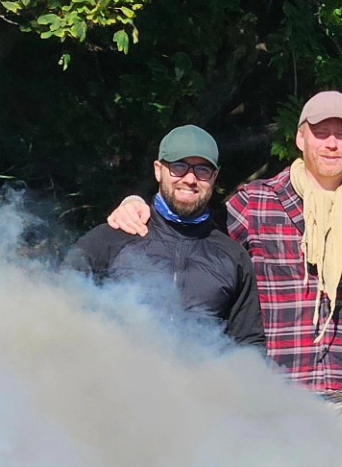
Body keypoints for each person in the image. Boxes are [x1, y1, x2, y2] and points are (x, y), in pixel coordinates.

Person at [106, 92, 342, 421]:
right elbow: (188, 236)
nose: (331, 143)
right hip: (273, 394)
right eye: (321, 133)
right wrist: (136, 204)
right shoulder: (256, 203)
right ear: (300, 138)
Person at [67, 125, 265, 349]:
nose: (190, 179)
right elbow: (62, 306)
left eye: (202, 170)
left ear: (215, 177)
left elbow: (250, 344)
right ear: (158, 170)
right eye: (179, 167)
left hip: (200, 373)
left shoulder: (234, 257)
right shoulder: (111, 238)